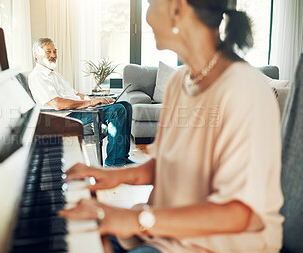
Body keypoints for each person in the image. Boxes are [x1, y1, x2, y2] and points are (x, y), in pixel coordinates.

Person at [59, 0, 284, 252]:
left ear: (178, 8)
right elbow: (167, 164)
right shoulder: (180, 81)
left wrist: (135, 219)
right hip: (165, 233)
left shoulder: (245, 90)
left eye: (151, 2)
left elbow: (238, 214)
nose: (147, 15)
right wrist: (113, 175)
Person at [28, 38, 134, 167]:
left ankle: (122, 156)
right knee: (117, 110)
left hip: (76, 111)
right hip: (63, 118)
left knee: (126, 106)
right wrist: (90, 103)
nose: (53, 55)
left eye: (55, 51)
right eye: (48, 51)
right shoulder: (37, 76)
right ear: (36, 54)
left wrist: (94, 100)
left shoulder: (55, 75)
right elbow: (57, 104)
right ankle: (114, 162)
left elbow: (75, 94)